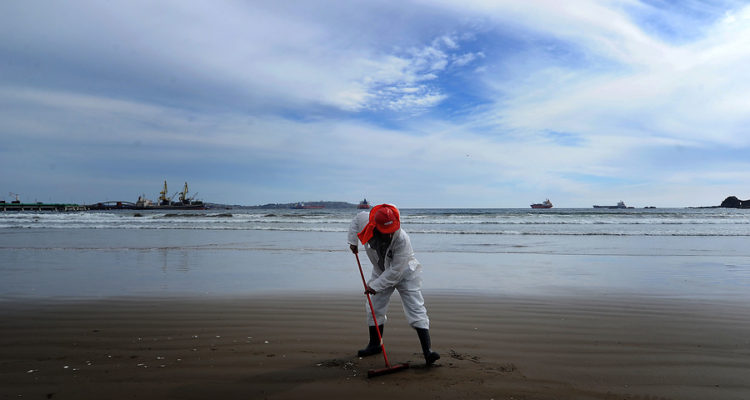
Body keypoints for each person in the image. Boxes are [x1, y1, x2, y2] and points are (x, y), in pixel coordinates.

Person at [347, 203, 440, 366]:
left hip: (406, 272)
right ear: (375, 225)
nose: (390, 235)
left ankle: (428, 351)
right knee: (374, 307)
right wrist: (352, 241)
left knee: (415, 307)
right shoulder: (365, 220)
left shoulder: (402, 239)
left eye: (391, 231)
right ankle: (375, 344)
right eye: (385, 232)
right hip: (381, 269)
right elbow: (356, 220)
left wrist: (374, 286)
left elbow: (396, 271)